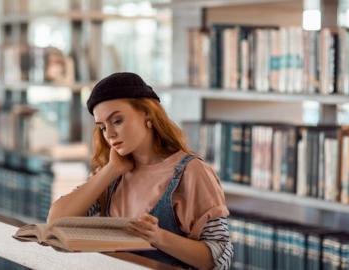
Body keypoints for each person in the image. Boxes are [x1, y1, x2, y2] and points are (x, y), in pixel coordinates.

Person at [47, 72, 232, 269]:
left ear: (148, 115)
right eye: (102, 127)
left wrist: (159, 237)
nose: (109, 134)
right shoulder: (111, 176)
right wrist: (111, 169)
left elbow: (220, 259)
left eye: (117, 121)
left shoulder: (192, 172)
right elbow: (56, 223)